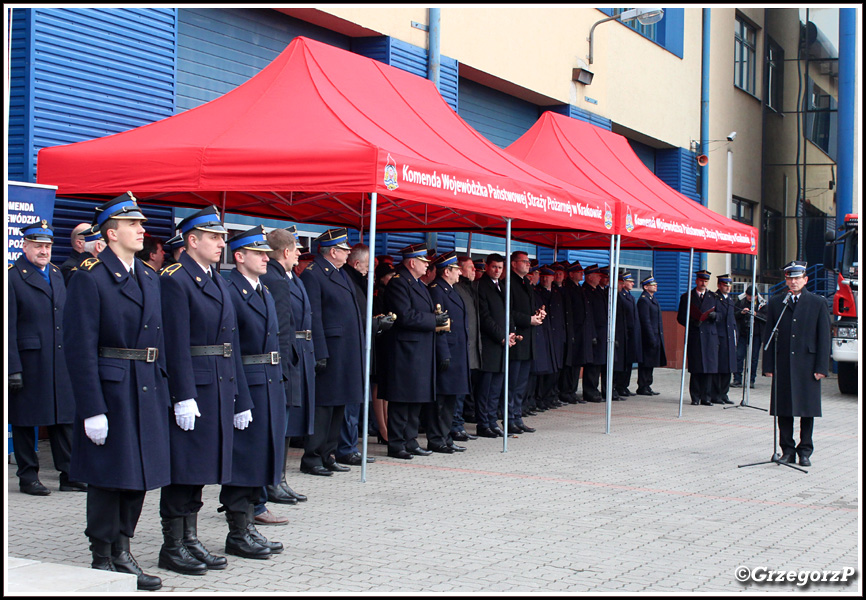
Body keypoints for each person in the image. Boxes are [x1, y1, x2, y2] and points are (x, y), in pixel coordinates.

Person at [63, 193, 171, 590]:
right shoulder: (90, 277)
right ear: (111, 233)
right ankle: (103, 553)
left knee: (139, 473)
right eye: (133, 225)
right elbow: (79, 347)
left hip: (145, 385)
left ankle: (123, 546)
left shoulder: (146, 276)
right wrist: (92, 408)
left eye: (140, 225)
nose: (142, 230)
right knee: (109, 475)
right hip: (112, 388)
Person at [159, 205, 247, 575]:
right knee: (185, 466)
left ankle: (191, 539)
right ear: (192, 241)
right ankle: (173, 545)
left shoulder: (216, 278)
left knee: (201, 466)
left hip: (219, 381)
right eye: (213, 237)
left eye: (222, 237)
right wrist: (183, 394)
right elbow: (174, 343)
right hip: (195, 383)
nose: (220, 243)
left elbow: (232, 341)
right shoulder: (175, 279)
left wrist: (241, 396)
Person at [221, 226, 287, 559]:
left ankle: (249, 523)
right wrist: (239, 396)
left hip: (269, 379)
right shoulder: (230, 288)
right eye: (258, 253)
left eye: (266, 252)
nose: (266, 257)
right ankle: (238, 530)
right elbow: (230, 347)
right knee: (244, 457)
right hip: (247, 378)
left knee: (262, 454)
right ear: (239, 256)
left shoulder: (260, 288)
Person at [9, 220, 84, 496]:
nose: (44, 251)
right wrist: (12, 367)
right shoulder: (12, 277)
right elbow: (8, 327)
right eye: (38, 245)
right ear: (25, 245)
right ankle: (28, 476)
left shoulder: (55, 273)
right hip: (30, 362)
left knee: (63, 418)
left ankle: (69, 474)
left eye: (48, 246)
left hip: (59, 359)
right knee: (27, 421)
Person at [299, 228, 365, 475]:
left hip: (345, 349)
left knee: (339, 404)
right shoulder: (314, 275)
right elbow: (312, 316)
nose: (348, 251)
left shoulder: (339, 273)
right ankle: (312, 457)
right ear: (333, 251)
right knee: (324, 407)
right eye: (344, 248)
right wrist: (319, 352)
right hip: (330, 348)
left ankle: (329, 453)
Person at [380, 243, 446, 459]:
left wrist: (435, 320)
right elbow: (405, 315)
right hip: (405, 350)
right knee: (401, 400)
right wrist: (433, 320)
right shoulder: (399, 283)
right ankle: (397, 443)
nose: (427, 265)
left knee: (415, 398)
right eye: (423, 262)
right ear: (412, 263)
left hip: (419, 350)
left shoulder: (417, 284)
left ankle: (411, 440)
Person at [261, 226, 311, 506]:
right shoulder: (276, 279)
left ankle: (280, 479)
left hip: (290, 355)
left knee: (286, 423)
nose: (299, 255)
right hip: (281, 359)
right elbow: (280, 326)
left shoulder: (287, 277)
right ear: (287, 251)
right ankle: (273, 481)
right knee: (279, 424)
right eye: (297, 250)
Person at [762, 261, 831, 467]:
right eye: (790, 278)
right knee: (783, 408)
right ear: (785, 280)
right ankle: (787, 450)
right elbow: (769, 336)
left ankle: (805, 451)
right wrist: (768, 366)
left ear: (805, 280)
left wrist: (821, 367)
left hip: (807, 365)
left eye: (797, 278)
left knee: (806, 409)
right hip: (783, 363)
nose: (793, 282)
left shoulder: (817, 303)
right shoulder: (776, 303)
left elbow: (824, 337)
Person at [337, 242, 385, 465]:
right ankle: (347, 447)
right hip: (351, 347)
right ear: (357, 263)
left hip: (360, 345)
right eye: (367, 266)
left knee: (356, 399)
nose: (369, 271)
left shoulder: (357, 281)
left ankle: (349, 445)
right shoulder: (348, 280)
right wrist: (374, 324)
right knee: (351, 400)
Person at [426, 251, 470, 453]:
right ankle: (437, 439)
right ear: (447, 272)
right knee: (441, 400)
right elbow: (440, 324)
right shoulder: (437, 290)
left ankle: (446, 436)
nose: (459, 273)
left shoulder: (451, 289)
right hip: (448, 352)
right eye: (456, 269)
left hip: (458, 352)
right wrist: (443, 352)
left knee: (451, 399)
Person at [476, 254, 516, 438]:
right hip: (490, 345)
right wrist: (501, 336)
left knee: (496, 388)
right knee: (486, 387)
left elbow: (507, 313)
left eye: (500, 268)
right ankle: (483, 423)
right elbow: (485, 317)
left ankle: (492, 421)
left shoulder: (501, 286)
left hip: (502, 344)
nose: (497, 271)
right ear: (486, 267)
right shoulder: (481, 286)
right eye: (494, 267)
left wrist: (512, 333)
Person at [506, 251, 544, 433]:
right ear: (514, 264)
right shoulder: (509, 283)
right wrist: (528, 319)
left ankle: (517, 416)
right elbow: (509, 312)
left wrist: (537, 314)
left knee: (522, 383)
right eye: (525, 261)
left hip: (528, 340)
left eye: (528, 262)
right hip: (517, 339)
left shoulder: (526, 284)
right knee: (512, 383)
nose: (528, 264)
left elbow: (528, 308)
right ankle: (508, 418)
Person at [677, 270, 719, 406]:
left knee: (708, 368)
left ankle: (706, 397)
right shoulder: (687, 297)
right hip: (695, 335)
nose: (703, 283)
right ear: (696, 281)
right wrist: (692, 322)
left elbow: (722, 315)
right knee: (696, 367)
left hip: (709, 336)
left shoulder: (713, 297)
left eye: (706, 281)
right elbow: (680, 317)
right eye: (701, 281)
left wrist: (715, 316)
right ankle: (695, 397)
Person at [451, 256, 481, 441]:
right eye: (470, 268)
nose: (474, 271)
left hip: (470, 347)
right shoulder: (457, 289)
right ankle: (455, 424)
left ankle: (458, 422)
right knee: (457, 391)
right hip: (460, 348)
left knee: (464, 389)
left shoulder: (469, 289)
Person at [581, 265, 609, 402]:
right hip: (593, 331)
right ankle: (589, 390)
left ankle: (595, 389)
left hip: (601, 332)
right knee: (592, 364)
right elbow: (589, 314)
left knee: (598, 363)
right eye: (597, 275)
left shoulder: (598, 290)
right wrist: (592, 333)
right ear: (590, 276)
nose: (600, 278)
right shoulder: (586, 291)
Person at [613, 271, 642, 398]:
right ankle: (618, 386)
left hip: (631, 334)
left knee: (629, 361)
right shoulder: (620, 296)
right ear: (623, 283)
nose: (632, 283)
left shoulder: (630, 296)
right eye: (629, 281)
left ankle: (624, 386)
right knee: (621, 362)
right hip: (623, 333)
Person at [635, 275, 665, 396]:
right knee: (646, 362)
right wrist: (651, 336)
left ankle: (647, 385)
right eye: (652, 285)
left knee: (651, 362)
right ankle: (642, 386)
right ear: (646, 287)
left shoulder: (652, 299)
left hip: (655, 335)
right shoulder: (643, 300)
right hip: (648, 336)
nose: (655, 286)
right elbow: (645, 320)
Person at [710, 274, 737, 405]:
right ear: (719, 285)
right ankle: (716, 394)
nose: (728, 287)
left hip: (729, 336)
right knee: (719, 367)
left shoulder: (731, 300)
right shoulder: (715, 298)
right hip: (719, 336)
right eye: (725, 285)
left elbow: (732, 320)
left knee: (728, 367)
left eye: (729, 285)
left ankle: (724, 393)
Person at [732, 286, 765, 389]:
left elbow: (766, 317)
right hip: (743, 333)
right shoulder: (740, 301)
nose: (751, 298)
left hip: (756, 334)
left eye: (753, 296)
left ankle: (751, 380)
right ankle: (737, 379)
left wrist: (756, 314)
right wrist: (741, 313)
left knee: (753, 358)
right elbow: (733, 314)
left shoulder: (762, 303)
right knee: (739, 356)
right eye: (749, 296)